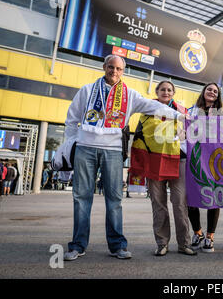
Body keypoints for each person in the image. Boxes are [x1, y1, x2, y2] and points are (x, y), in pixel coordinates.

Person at [62, 54, 183, 261]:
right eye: (111, 67)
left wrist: (178, 115)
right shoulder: (87, 90)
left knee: (115, 200)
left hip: (113, 150)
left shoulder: (130, 95)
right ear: (104, 67)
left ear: (123, 71)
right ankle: (77, 245)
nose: (114, 72)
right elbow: (71, 119)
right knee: (81, 198)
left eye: (118, 68)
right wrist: (71, 144)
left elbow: (153, 106)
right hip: (85, 148)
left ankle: (117, 245)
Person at [139, 80, 197, 256]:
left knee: (180, 203)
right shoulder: (147, 109)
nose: (166, 92)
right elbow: (141, 135)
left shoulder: (182, 110)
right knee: (158, 203)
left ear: (173, 93)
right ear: (157, 91)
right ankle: (162, 243)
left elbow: (188, 134)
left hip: (178, 159)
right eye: (162, 89)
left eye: (169, 90)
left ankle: (184, 244)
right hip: (154, 160)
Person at [187, 82, 223, 253]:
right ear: (203, 92)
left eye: (215, 91)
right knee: (192, 199)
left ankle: (210, 236)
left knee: (213, 198)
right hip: (194, 160)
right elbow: (183, 133)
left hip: (214, 161)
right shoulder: (190, 111)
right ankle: (198, 233)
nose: (212, 92)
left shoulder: (222, 114)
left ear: (218, 96)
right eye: (209, 89)